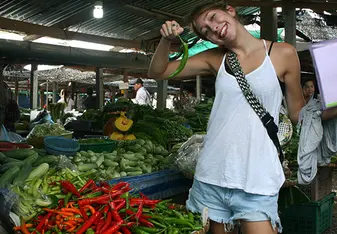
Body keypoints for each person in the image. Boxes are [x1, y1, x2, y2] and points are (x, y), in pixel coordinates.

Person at [148, 2, 305, 234]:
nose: (213, 28)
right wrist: (166, 40)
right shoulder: (215, 58)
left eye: (213, 17)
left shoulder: (283, 53)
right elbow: (158, 72)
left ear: (230, 10)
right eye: (206, 31)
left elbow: (296, 113)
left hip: (257, 177)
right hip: (212, 175)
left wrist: (329, 110)